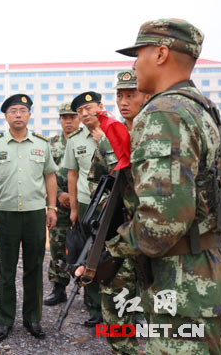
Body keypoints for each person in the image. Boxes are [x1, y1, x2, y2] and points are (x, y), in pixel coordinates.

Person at [107, 18, 221, 354]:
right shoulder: (203, 108)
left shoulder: (163, 112)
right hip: (216, 271)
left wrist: (112, 252)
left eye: (139, 54)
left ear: (161, 53)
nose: (134, 64)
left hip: (184, 287)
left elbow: (163, 223)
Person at [0, 94, 57, 341]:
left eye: (22, 110)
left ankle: (32, 318)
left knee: (34, 268)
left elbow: (50, 176)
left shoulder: (42, 143)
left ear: (29, 115)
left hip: (35, 213)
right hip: (5, 213)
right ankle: (4, 320)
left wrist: (52, 207)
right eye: (13, 111)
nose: (18, 114)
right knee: (6, 269)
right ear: (5, 116)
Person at [86, 70, 148, 355]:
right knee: (114, 307)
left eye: (130, 94)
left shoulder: (156, 134)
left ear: (145, 94)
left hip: (154, 239)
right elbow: (95, 181)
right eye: (119, 96)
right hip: (119, 236)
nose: (124, 101)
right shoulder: (110, 137)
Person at [61, 91, 104, 327]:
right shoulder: (75, 140)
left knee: (120, 258)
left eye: (89, 108)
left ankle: (126, 308)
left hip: (113, 204)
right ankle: (95, 308)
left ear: (100, 106)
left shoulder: (115, 132)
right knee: (89, 257)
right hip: (88, 205)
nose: (84, 113)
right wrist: (74, 209)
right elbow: (72, 174)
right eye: (80, 111)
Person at [44, 102, 80, 306]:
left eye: (72, 116)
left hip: (84, 203)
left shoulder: (89, 141)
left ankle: (92, 296)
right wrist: (58, 194)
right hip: (59, 203)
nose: (68, 120)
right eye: (64, 117)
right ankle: (59, 288)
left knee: (89, 247)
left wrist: (75, 196)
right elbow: (43, 174)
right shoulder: (50, 144)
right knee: (58, 246)